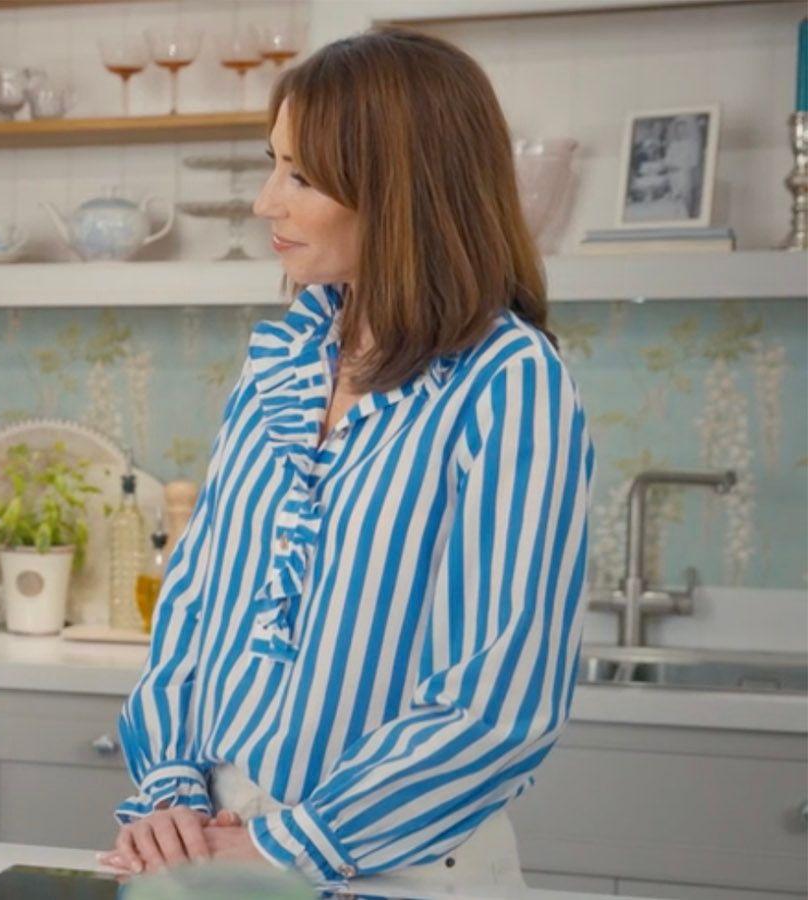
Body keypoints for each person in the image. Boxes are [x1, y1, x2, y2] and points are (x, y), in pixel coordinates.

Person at [103, 27, 594, 890]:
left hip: (397, 866)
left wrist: (288, 845)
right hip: (222, 851)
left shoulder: (509, 382)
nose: (265, 202)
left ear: (398, 188)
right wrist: (171, 793)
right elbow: (195, 604)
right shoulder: (281, 362)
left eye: (300, 175)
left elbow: (494, 704)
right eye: (273, 164)